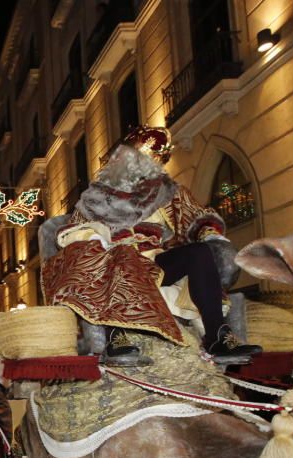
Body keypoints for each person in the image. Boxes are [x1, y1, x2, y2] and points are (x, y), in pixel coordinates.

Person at [42, 125, 262, 365]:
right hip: (113, 264)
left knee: (199, 253)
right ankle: (116, 337)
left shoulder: (168, 193)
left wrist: (210, 234)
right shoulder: (97, 197)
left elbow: (196, 216)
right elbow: (73, 229)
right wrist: (94, 238)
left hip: (155, 263)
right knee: (124, 255)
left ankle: (217, 336)